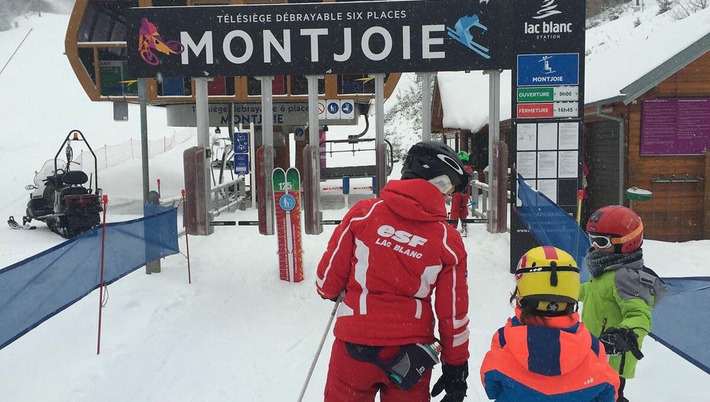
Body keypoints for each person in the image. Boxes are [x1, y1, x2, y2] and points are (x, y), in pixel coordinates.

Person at [316, 141, 471, 402]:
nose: (446, 198)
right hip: (410, 355)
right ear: (438, 182)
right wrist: (455, 366)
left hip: (354, 346)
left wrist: (334, 291)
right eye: (448, 190)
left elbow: (325, 282)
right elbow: (453, 314)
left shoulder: (364, 214)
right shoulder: (447, 241)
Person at [480, 246, 620, 401]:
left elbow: (490, 386)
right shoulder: (592, 348)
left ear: (521, 294)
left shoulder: (504, 340)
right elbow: (609, 392)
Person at [581, 206, 667, 402]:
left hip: (612, 358)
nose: (594, 246)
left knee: (610, 397)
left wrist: (625, 334)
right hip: (595, 355)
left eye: (601, 241)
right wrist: (565, 292)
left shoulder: (624, 277)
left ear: (627, 243)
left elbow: (640, 315)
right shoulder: (607, 269)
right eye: (592, 239)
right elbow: (594, 291)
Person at [449, 151, 474, 233]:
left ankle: (453, 225)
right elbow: (471, 177)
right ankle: (464, 222)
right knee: (463, 207)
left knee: (455, 208)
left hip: (457, 191)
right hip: (466, 192)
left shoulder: (457, 169)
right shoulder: (469, 170)